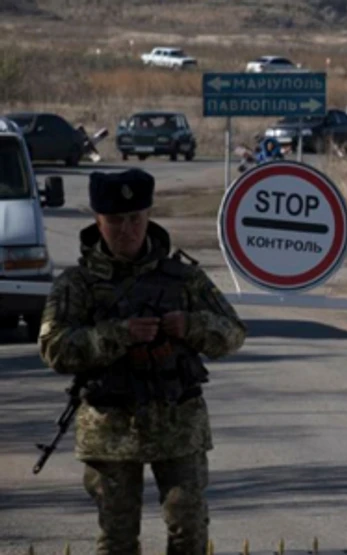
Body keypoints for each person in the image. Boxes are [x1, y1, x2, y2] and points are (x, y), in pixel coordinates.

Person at [38, 169, 247, 554]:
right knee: (117, 540)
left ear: (149, 215)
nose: (126, 230)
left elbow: (233, 333)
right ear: (97, 219)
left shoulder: (183, 279)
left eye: (135, 218)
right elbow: (54, 348)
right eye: (115, 221)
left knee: (189, 532)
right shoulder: (77, 285)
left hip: (178, 424)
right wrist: (119, 334)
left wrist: (192, 325)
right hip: (110, 430)